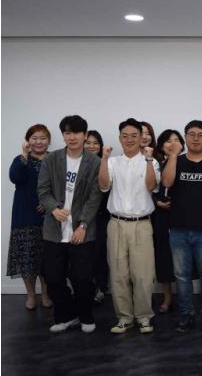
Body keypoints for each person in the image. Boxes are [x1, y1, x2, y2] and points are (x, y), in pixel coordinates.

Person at [38, 115, 103, 333]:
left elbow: (94, 197)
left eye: (76, 132)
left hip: (82, 230)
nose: (72, 137)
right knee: (53, 277)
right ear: (63, 135)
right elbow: (43, 190)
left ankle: (85, 315)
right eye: (67, 133)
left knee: (82, 278)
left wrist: (83, 225)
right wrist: (54, 209)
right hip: (54, 229)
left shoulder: (94, 162)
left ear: (84, 135)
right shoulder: (51, 159)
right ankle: (66, 315)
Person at [161, 121, 202, 333]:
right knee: (181, 275)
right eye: (191, 134)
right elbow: (167, 182)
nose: (196, 138)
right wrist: (173, 156)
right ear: (185, 137)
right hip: (178, 229)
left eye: (200, 135)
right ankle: (186, 314)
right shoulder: (176, 161)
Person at [99, 118, 160, 334]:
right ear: (119, 138)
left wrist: (149, 160)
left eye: (134, 135)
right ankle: (124, 318)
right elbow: (103, 186)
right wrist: (104, 158)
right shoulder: (112, 162)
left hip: (141, 224)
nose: (129, 139)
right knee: (118, 274)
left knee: (143, 275)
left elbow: (152, 186)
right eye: (125, 136)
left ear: (141, 137)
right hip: (116, 224)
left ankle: (144, 317)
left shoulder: (151, 161)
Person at [7, 124, 53, 310]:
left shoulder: (54, 159)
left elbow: (62, 185)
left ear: (48, 140)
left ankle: (46, 294)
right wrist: (24, 155)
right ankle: (31, 295)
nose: (38, 142)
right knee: (27, 259)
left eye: (42, 138)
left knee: (47, 259)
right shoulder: (21, 159)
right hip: (24, 215)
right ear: (28, 141)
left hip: (49, 216)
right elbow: (15, 177)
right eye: (34, 138)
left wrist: (50, 203)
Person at [152, 129, 185, 314]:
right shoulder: (155, 164)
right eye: (168, 140)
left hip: (182, 216)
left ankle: (185, 297)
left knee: (183, 258)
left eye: (176, 140)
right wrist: (157, 202)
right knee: (164, 257)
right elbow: (148, 189)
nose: (172, 144)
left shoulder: (188, 162)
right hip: (162, 216)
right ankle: (167, 297)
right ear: (161, 145)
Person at [84, 130, 111, 305]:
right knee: (82, 255)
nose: (92, 146)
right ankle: (85, 288)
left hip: (101, 217)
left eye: (95, 143)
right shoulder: (76, 163)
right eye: (88, 142)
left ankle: (100, 287)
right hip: (80, 217)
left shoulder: (106, 163)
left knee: (99, 254)